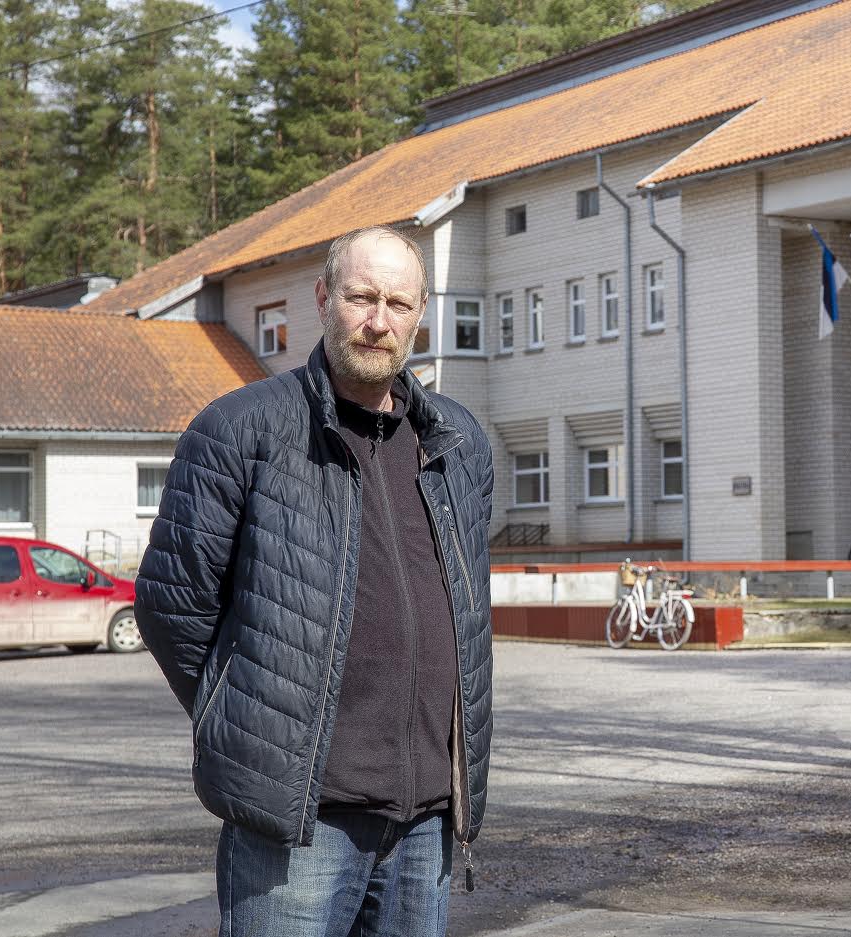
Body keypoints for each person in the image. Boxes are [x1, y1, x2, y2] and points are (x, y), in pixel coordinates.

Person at [135, 224, 494, 937]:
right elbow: (172, 605)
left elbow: (464, 606)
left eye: (397, 303)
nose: (377, 319)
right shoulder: (241, 430)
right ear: (325, 297)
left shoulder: (457, 442)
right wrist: (244, 718)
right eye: (362, 296)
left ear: (419, 316)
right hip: (297, 821)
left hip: (425, 819)